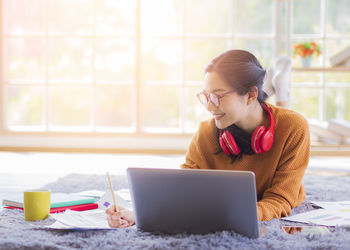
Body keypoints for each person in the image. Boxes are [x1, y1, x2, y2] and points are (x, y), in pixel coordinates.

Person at [106, 49, 310, 227]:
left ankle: (280, 86)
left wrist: (240, 215)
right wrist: (139, 214)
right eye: (207, 95)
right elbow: (182, 189)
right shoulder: (206, 132)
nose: (209, 106)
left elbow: (280, 200)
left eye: (218, 96)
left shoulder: (293, 128)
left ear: (250, 95)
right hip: (226, 212)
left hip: (259, 211)